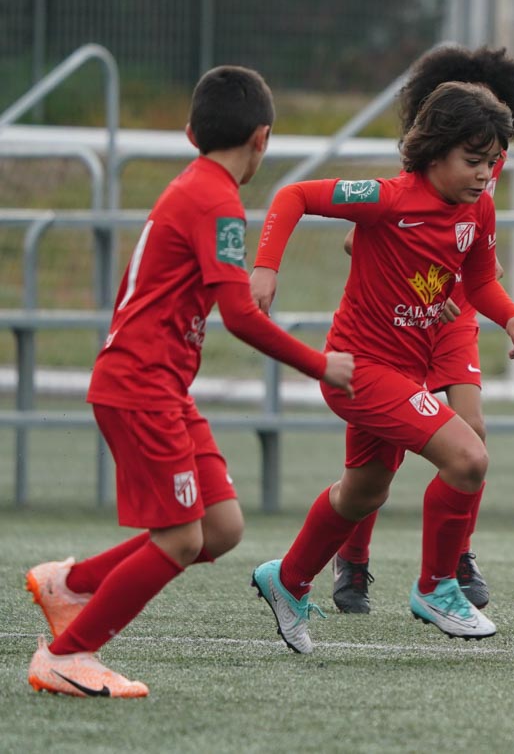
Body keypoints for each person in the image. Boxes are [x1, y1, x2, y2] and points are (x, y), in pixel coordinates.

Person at [24, 66, 356, 698]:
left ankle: (73, 584)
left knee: (220, 527)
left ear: (189, 133)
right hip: (141, 386)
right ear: (262, 138)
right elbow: (240, 317)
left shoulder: (195, 187)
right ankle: (68, 654)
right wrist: (322, 364)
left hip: (159, 385)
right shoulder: (217, 201)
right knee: (179, 538)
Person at [248, 81, 514, 654]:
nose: (484, 175)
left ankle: (290, 578)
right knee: (469, 455)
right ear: (434, 150)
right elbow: (294, 196)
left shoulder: (478, 206)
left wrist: (511, 317)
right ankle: (437, 585)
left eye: (493, 163)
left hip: (409, 370)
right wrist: (265, 267)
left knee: (363, 492)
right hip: (360, 370)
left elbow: (478, 280)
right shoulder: (387, 198)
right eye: (473, 161)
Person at [329, 45, 514, 615]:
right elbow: (365, 239)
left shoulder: (490, 156)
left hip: (453, 311)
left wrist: (466, 289)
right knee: (381, 440)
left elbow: (471, 246)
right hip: (406, 314)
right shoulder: (428, 168)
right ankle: (354, 556)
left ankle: (455, 557)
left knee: (472, 430)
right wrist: (424, 283)